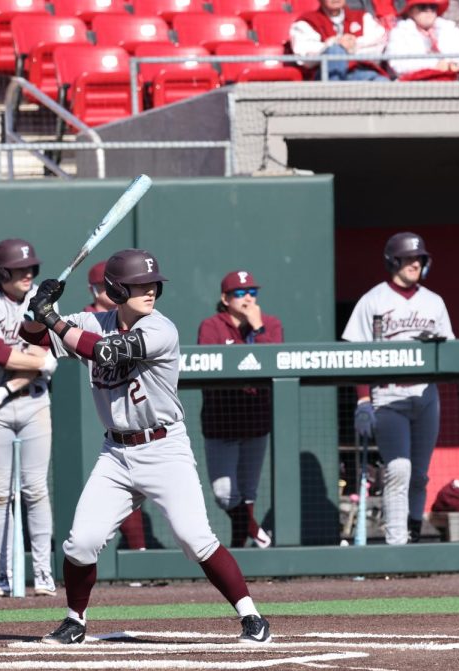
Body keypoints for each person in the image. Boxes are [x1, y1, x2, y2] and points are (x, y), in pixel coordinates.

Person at [20, 249, 271, 645]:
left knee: (194, 538)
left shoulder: (161, 329)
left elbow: (104, 351)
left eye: (152, 283)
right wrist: (36, 313)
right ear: (117, 289)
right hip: (116, 453)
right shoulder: (91, 321)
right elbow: (32, 341)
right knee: (80, 542)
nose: (150, 290)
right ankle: (75, 620)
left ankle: (251, 616)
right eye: (139, 284)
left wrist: (52, 317)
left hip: (163, 447)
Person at [341, 232, 453, 545]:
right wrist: (363, 399)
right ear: (393, 260)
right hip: (388, 395)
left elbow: (452, 351)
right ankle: (396, 543)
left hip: (425, 394)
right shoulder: (373, 299)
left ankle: (413, 531)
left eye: (419, 258)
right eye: (407, 258)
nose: (414, 263)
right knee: (398, 469)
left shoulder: (434, 302)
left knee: (419, 474)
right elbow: (353, 354)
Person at [0, 239, 57, 597]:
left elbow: (42, 355)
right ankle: (4, 575)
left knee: (35, 490)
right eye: (20, 269)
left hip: (33, 402)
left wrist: (9, 387)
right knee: (0, 493)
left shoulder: (42, 300)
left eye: (31, 268)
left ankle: (44, 574)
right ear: (2, 271)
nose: (27, 274)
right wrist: (37, 363)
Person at [196, 270, 282, 549]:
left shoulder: (269, 323)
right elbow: (206, 368)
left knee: (248, 493)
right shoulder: (212, 325)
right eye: (240, 293)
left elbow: (277, 363)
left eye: (252, 293)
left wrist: (257, 330)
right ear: (225, 298)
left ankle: (239, 554)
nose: (247, 298)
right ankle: (254, 530)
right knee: (224, 494)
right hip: (221, 422)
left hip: (256, 421)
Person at [84, 261, 147, 552]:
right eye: (104, 288)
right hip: (97, 414)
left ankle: (140, 554)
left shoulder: (146, 320)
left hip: (140, 417)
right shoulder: (87, 319)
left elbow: (103, 351)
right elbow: (41, 336)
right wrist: (43, 314)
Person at [289, 0, 391, 81]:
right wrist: (333, 43)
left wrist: (353, 45)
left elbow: (378, 43)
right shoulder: (306, 22)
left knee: (381, 82)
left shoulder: (362, 17)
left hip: (358, 73)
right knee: (335, 50)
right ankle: (333, 99)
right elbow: (304, 55)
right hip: (324, 76)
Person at [384, 0, 459, 78]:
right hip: (414, 87)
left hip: (449, 82)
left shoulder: (449, 29)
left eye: (433, 7)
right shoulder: (399, 32)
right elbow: (397, 65)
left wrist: (451, 64)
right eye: (422, 7)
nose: (429, 11)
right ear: (410, 12)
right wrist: (434, 65)